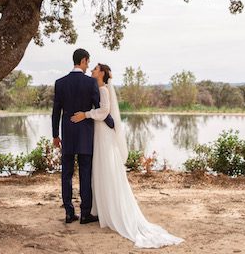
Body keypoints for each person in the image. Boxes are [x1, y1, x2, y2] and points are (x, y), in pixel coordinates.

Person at [71, 63, 184, 248]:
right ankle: (102, 210)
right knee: (100, 169)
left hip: (104, 133)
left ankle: (111, 211)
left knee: (106, 167)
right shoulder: (98, 87)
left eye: (95, 69)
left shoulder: (104, 89)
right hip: (99, 132)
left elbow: (104, 111)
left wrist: (86, 114)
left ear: (102, 73)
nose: (91, 71)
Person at [51, 49, 114, 224]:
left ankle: (69, 213)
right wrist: (111, 122)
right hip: (86, 135)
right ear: (84, 60)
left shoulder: (60, 83)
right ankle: (85, 214)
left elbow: (56, 112)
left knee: (67, 174)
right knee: (85, 173)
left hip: (68, 135)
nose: (88, 67)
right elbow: (97, 107)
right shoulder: (90, 83)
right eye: (88, 62)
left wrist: (55, 135)